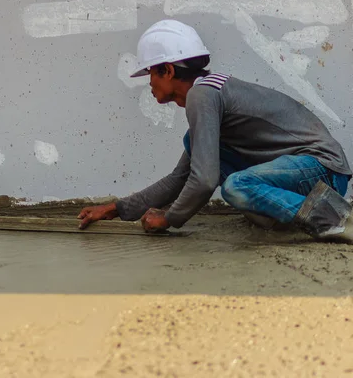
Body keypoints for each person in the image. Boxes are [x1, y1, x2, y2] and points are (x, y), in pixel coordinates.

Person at [78, 19, 353, 242]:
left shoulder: (202, 95)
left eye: (151, 72)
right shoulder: (209, 92)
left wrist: (170, 218)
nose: (149, 82)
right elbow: (181, 178)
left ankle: (339, 221)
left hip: (322, 168)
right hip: (310, 174)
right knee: (200, 150)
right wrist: (115, 209)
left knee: (237, 185)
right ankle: (299, 219)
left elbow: (205, 181)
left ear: (169, 71)